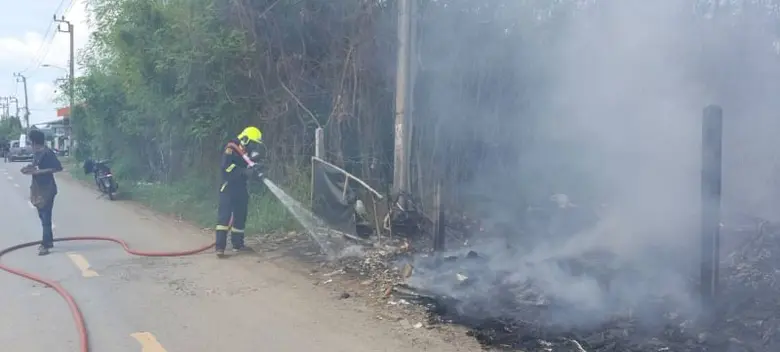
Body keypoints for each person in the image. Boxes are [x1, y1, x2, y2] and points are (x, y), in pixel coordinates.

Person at [215, 126, 265, 257]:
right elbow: (226, 168)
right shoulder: (231, 149)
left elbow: (248, 165)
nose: (254, 147)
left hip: (240, 187)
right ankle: (220, 247)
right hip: (228, 187)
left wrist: (256, 168)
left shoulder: (245, 152)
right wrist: (245, 172)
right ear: (245, 139)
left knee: (241, 214)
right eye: (253, 143)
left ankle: (238, 244)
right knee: (224, 217)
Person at [21, 130, 63, 256]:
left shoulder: (47, 153)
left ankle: (45, 245)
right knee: (42, 215)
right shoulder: (37, 154)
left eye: (30, 142)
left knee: (45, 216)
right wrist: (28, 168)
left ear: (34, 142)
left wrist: (40, 172)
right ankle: (49, 240)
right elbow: (36, 166)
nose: (29, 145)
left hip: (48, 189)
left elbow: (57, 168)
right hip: (38, 189)